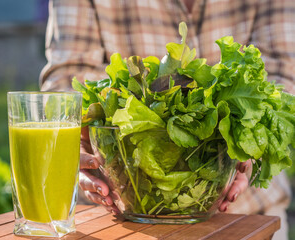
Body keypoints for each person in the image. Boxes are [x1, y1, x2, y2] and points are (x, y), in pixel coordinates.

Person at [40, 0, 294, 239]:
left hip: (250, 218)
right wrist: (77, 135)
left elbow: (282, 71)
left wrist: (246, 137)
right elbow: (66, 79)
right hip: (116, 218)